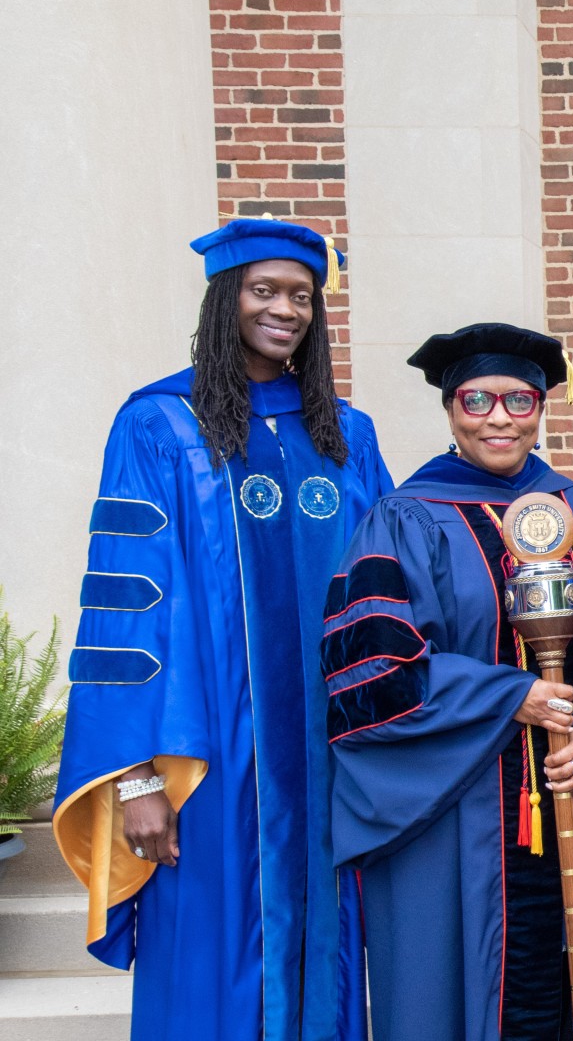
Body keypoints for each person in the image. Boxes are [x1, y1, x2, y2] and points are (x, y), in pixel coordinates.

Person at [51, 219, 389, 1041]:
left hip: (329, 769)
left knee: (330, 961)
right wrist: (135, 781)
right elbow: (127, 613)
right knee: (209, 959)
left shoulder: (346, 434)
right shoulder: (160, 426)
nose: (286, 310)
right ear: (224, 300)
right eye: (263, 290)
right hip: (204, 766)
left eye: (302, 296)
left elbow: (388, 596)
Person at [322, 323, 573, 1040]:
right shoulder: (404, 518)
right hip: (457, 811)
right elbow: (375, 665)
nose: (499, 418)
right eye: (476, 400)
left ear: (541, 408)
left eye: (518, 399)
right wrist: (512, 697)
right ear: (449, 409)